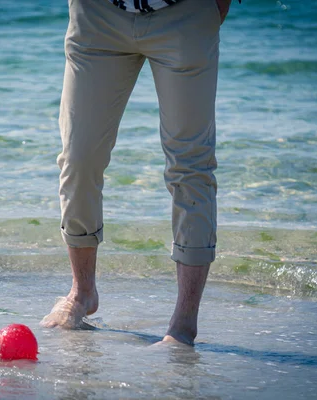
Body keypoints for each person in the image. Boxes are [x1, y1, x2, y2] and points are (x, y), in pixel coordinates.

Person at [40, 0, 235, 346]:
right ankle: (82, 291)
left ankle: (184, 323)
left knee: (190, 167)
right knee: (78, 155)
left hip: (185, 11)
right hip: (98, 13)